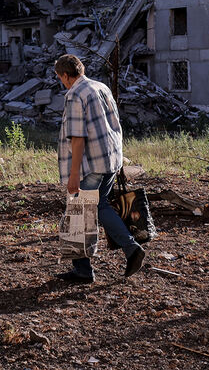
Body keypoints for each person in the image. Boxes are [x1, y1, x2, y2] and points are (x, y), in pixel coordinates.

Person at [54, 53, 145, 283]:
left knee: (82, 211)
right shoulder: (100, 87)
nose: (61, 83)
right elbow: (115, 125)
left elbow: (77, 138)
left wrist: (74, 175)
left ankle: (128, 249)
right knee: (93, 208)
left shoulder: (75, 94)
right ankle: (84, 267)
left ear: (66, 75)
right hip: (109, 160)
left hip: (89, 165)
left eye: (60, 78)